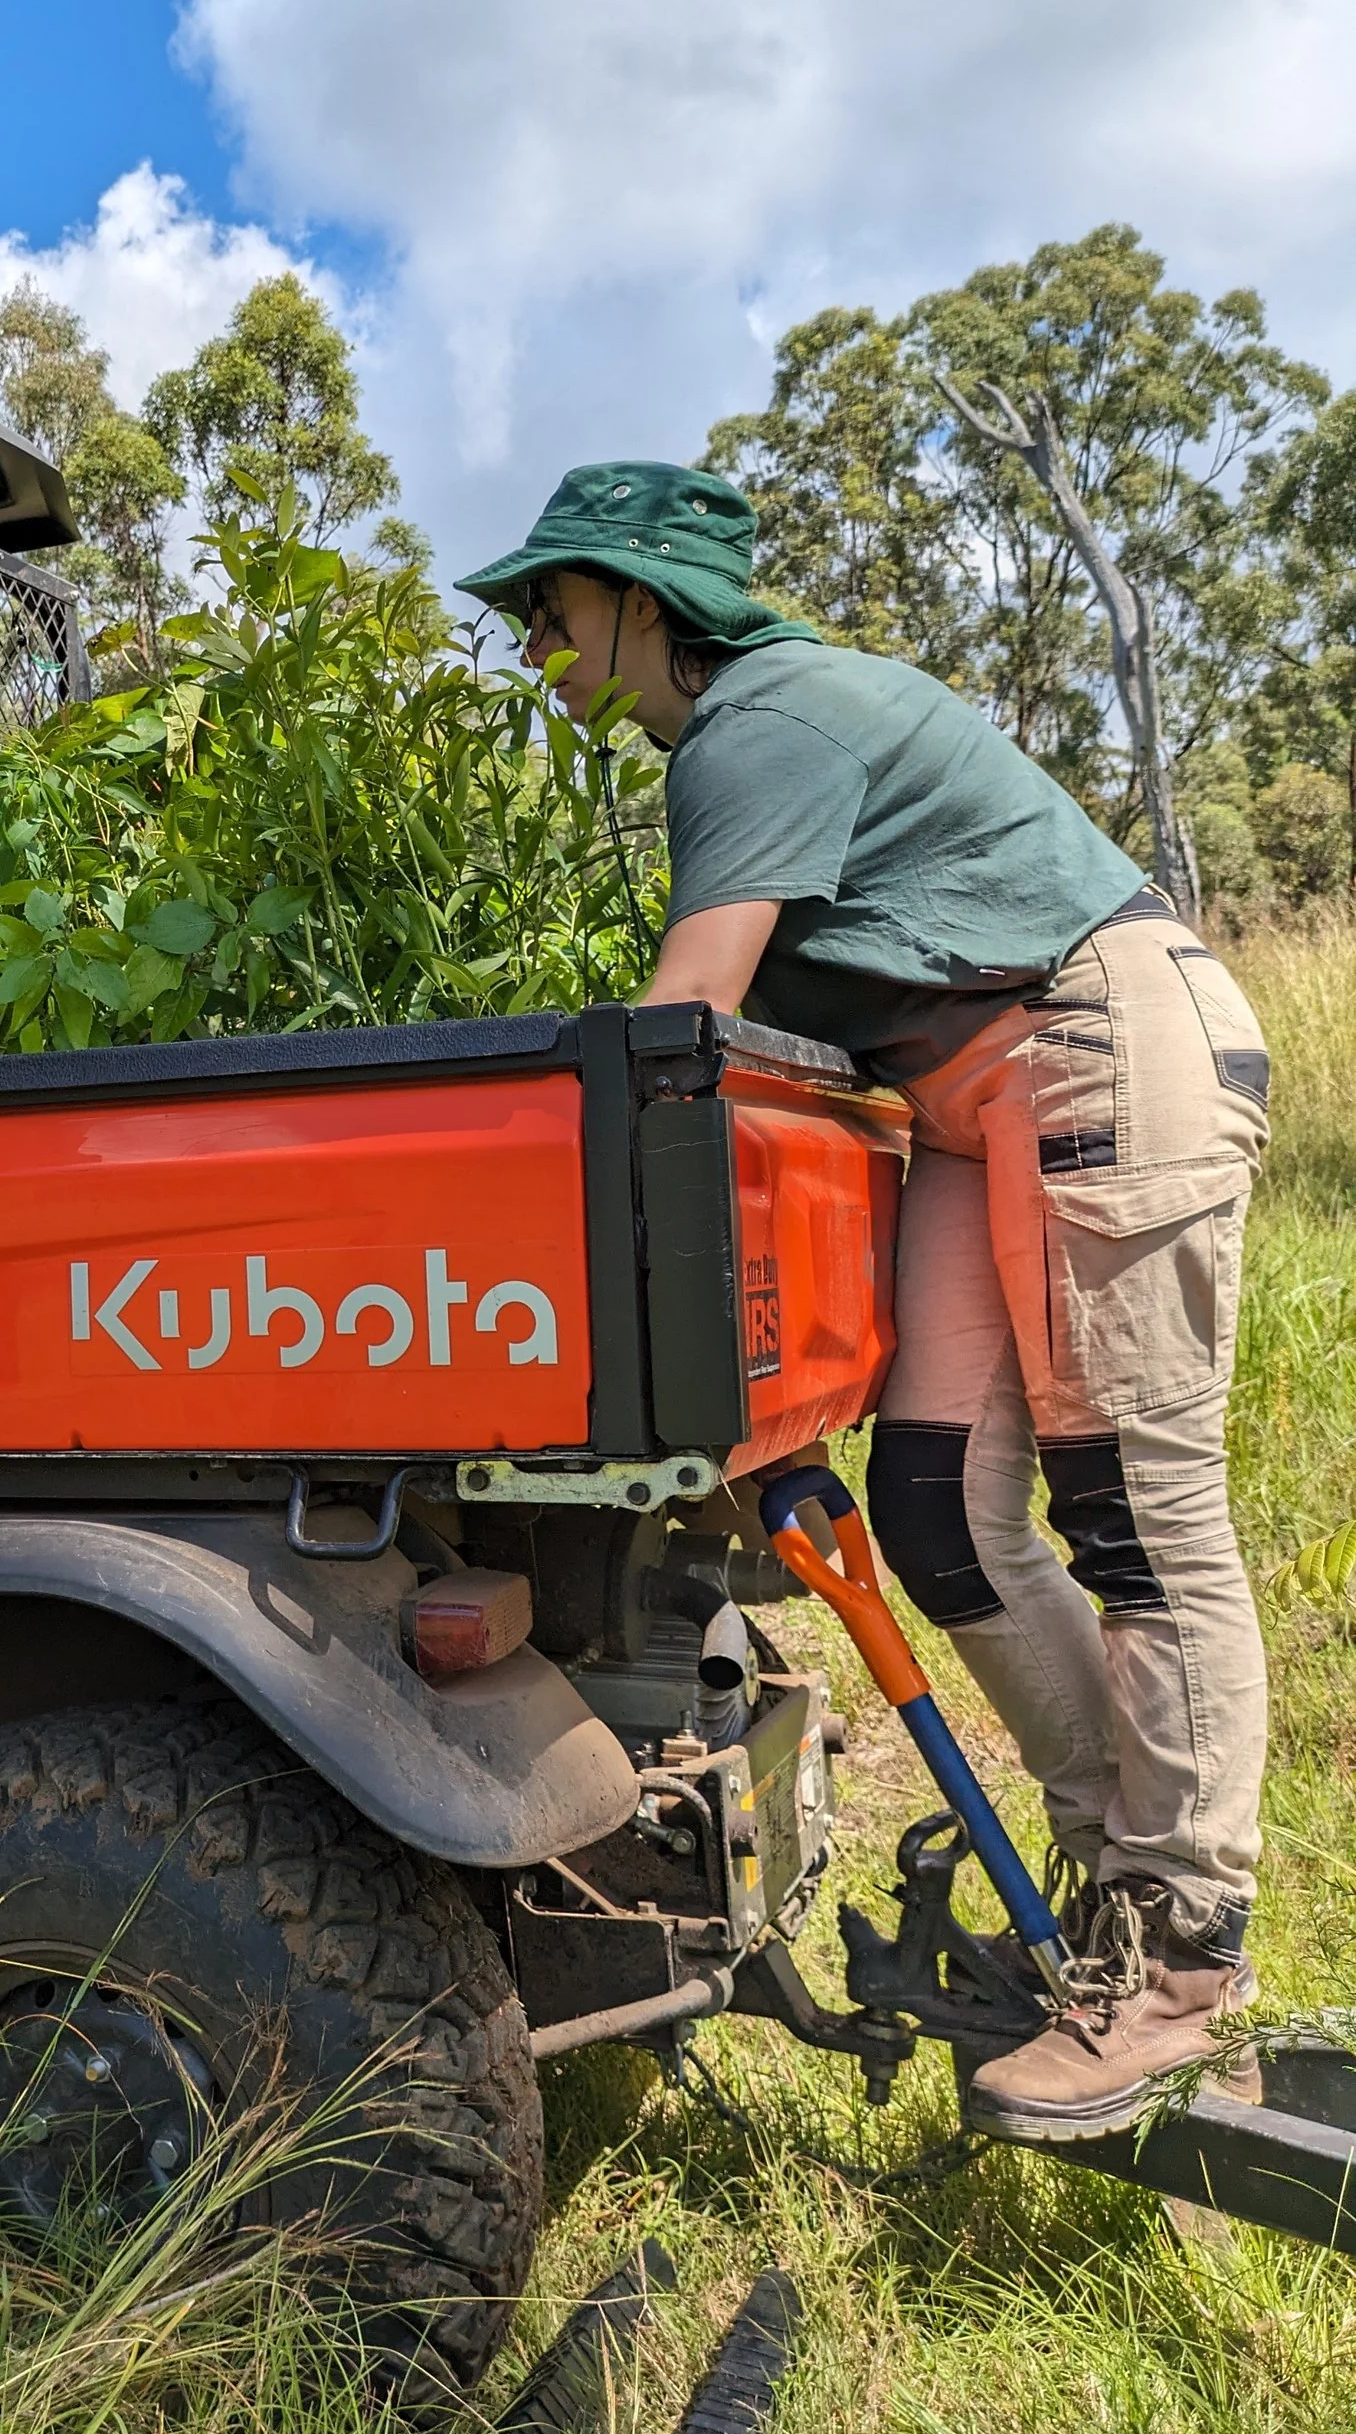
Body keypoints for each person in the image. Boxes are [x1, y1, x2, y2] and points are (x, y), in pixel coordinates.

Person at [460, 460, 1271, 2141]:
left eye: (557, 603)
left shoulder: (757, 721)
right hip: (981, 1097)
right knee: (937, 1511)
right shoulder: (746, 727)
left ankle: (1183, 1955)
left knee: (1132, 1511)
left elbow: (684, 1020)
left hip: (1091, 1045)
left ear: (647, 603)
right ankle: (1118, 1872)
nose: (535, 635)